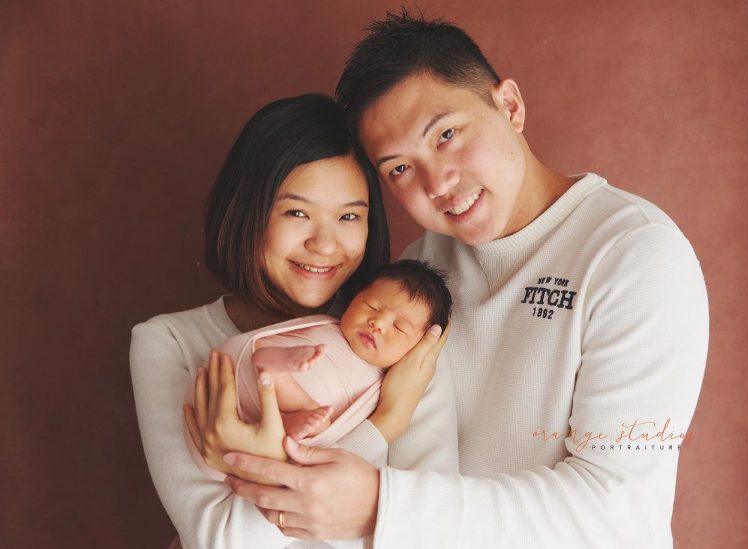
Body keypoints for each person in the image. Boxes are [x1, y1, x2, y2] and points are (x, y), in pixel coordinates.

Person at [215, 11, 709, 548]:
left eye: (446, 134)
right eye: (399, 169)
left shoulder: (633, 253)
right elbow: (353, 437)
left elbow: (617, 507)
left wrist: (384, 506)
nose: (437, 182)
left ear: (510, 106)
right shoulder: (417, 271)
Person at [130, 94, 453, 548]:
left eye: (348, 216)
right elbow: (225, 541)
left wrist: (389, 419)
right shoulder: (167, 342)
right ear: (248, 212)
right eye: (297, 212)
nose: (325, 245)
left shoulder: (399, 340)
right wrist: (381, 433)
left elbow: (434, 535)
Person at [184, 259, 451, 469]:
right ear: (354, 298)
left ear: (418, 349)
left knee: (320, 424)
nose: (378, 324)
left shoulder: (384, 388)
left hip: (262, 439)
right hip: (238, 380)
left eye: (399, 327)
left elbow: (341, 443)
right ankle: (276, 369)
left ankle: (289, 421)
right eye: (371, 306)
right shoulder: (329, 326)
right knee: (266, 353)